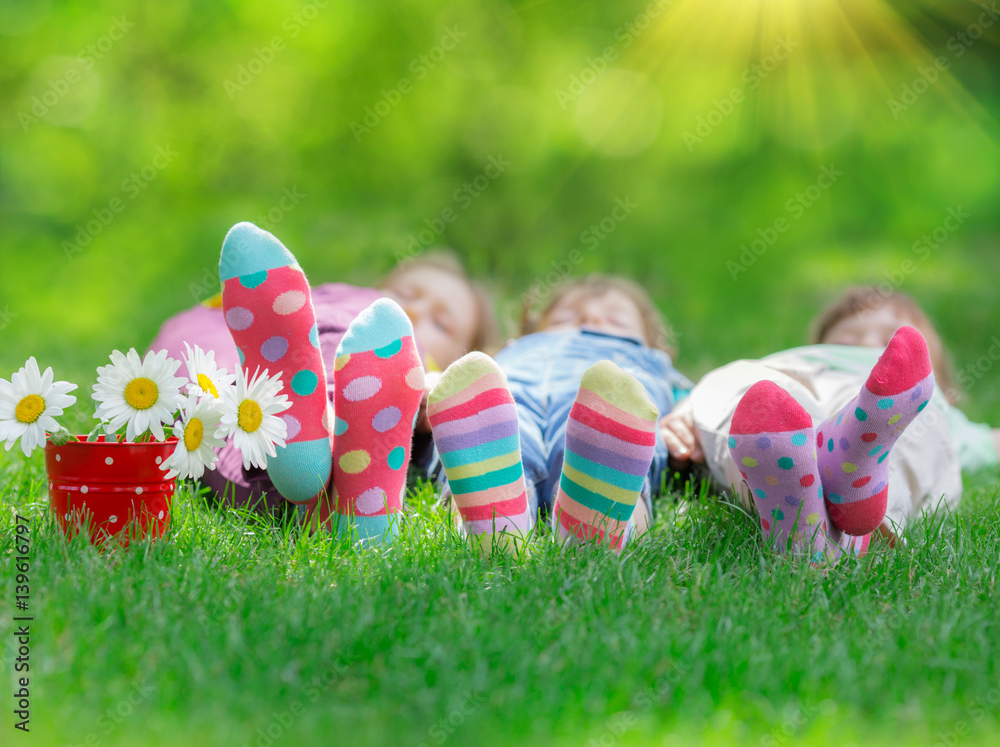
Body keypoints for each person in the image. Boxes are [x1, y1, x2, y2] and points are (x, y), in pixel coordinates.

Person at [149, 225, 497, 516]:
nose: (415, 309)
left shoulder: (433, 366)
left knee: (388, 363)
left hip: (335, 396)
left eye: (442, 322)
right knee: (212, 394)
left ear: (459, 356)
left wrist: (435, 396)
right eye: (404, 292)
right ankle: (319, 447)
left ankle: (308, 441)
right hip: (273, 360)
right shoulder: (345, 298)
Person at [658, 286, 991, 545]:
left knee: (915, 429)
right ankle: (840, 479)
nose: (866, 343)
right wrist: (693, 404)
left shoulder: (941, 409)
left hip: (893, 402)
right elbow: (715, 396)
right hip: (799, 377)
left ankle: (816, 522)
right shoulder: (800, 358)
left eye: (889, 336)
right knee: (753, 395)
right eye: (849, 335)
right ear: (824, 342)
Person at [423, 274, 693, 553]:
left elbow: (693, 400)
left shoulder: (652, 361)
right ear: (529, 331)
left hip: (603, 404)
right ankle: (490, 524)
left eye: (616, 321)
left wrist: (687, 412)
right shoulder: (513, 351)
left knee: (610, 441)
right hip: (510, 402)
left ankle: (603, 526)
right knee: (487, 434)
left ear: (650, 342)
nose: (589, 319)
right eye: (565, 317)